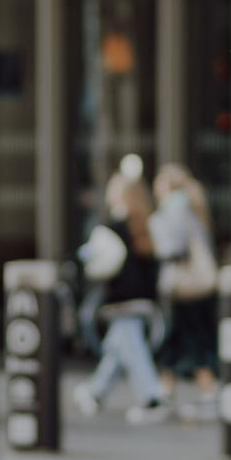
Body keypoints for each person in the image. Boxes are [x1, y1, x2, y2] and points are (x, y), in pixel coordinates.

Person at [71, 167, 170, 425]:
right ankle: (95, 393)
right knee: (118, 346)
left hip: (122, 298)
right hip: (142, 298)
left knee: (132, 348)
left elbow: (97, 258)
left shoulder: (116, 225)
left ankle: (152, 398)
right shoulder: (145, 224)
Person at [149, 163, 220, 419]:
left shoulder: (174, 209)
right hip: (195, 288)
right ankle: (168, 392)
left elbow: (174, 247)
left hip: (184, 288)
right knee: (181, 340)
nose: (155, 188)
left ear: (168, 186)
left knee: (185, 340)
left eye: (159, 183)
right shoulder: (191, 207)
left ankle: (202, 393)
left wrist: (155, 229)